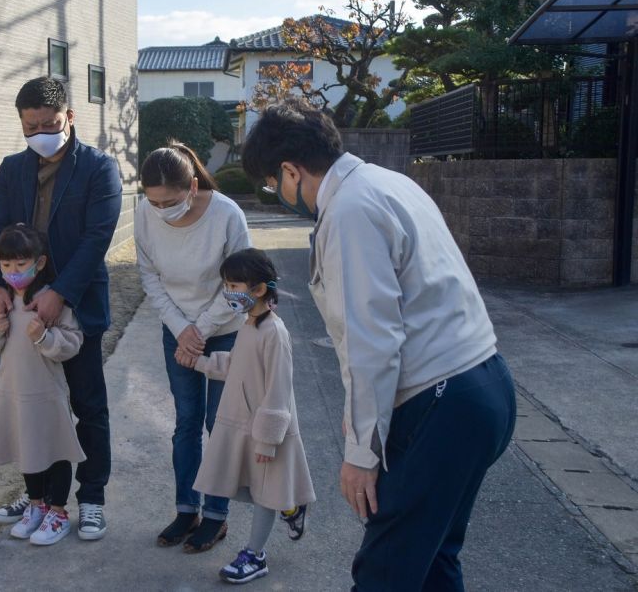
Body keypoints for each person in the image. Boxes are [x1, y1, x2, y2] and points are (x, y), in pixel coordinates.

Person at [241, 101, 516, 591]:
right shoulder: (389, 182)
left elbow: (372, 341)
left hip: (440, 401)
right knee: (432, 559)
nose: (275, 192)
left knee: (384, 571)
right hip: (485, 383)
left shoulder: (349, 210)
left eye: (270, 183)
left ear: (290, 170)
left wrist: (361, 455)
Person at [0, 76, 122, 541]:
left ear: (69, 117)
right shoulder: (11, 169)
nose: (41, 131)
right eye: (30, 125)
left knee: (87, 405)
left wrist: (59, 291)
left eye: (50, 123)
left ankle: (93, 499)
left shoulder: (99, 168)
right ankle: (39, 494)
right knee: (31, 405)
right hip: (22, 304)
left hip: (75, 306)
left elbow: (96, 238)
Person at [135, 142, 251, 552]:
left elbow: (243, 289)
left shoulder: (226, 215)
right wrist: (181, 329)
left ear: (193, 186)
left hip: (226, 330)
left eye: (169, 201)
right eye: (154, 202)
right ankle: (187, 508)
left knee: (220, 424)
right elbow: (149, 276)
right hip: (178, 329)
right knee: (186, 422)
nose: (161, 210)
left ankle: (217, 516)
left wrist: (197, 331)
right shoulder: (143, 212)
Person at [192, 248, 316, 584]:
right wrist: (200, 363)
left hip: (264, 433)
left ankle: (255, 555)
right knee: (231, 483)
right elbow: (236, 366)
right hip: (239, 424)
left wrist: (268, 439)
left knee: (263, 494)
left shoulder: (275, 333)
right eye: (226, 284)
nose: (228, 292)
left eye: (234, 285)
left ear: (258, 289)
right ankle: (289, 506)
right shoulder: (248, 324)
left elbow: (279, 388)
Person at [0, 224, 85, 545]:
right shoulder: (6, 301)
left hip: (47, 393)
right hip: (13, 392)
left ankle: (58, 511)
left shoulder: (50, 301)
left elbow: (72, 343)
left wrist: (43, 336)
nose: (13, 272)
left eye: (20, 264)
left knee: (55, 449)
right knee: (27, 450)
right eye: (6, 265)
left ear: (39, 263)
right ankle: (35, 505)